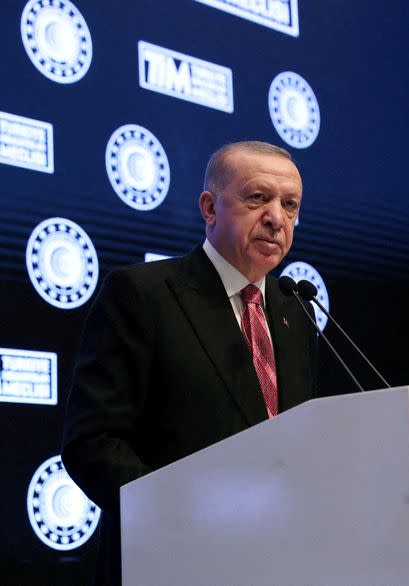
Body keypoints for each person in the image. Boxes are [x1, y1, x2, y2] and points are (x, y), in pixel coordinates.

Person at [62, 141, 318, 585]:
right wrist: (191, 518)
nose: (277, 218)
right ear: (209, 207)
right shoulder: (144, 295)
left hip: (278, 562)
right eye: (257, 198)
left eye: (290, 205)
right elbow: (93, 444)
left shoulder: (294, 309)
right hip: (171, 562)